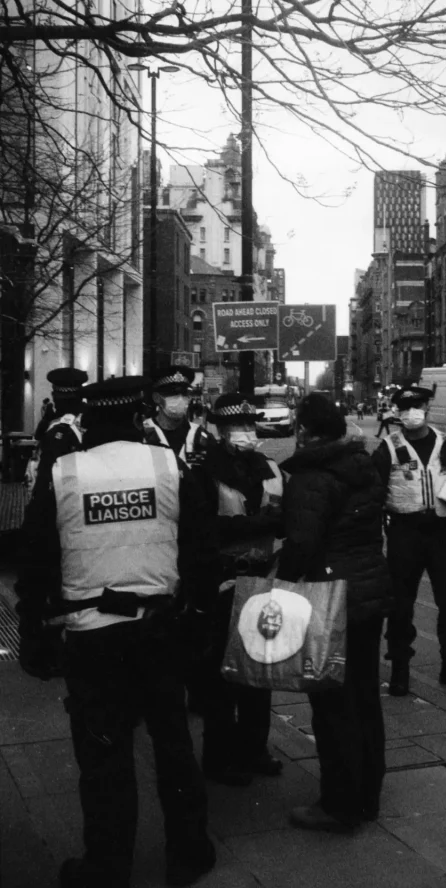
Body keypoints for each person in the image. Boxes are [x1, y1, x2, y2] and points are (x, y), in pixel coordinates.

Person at [15, 375, 216, 888]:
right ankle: (188, 855)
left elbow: (36, 556)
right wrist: (194, 615)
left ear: (86, 422)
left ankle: (106, 868)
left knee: (103, 753)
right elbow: (198, 546)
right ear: (136, 418)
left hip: (92, 634)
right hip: (159, 629)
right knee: (172, 743)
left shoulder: (64, 472)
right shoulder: (166, 464)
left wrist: (34, 629)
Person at [276, 392, 391, 832]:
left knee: (332, 703)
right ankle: (367, 797)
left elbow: (302, 543)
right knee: (364, 698)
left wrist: (282, 585)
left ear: (304, 429)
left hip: (328, 600)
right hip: (367, 593)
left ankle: (338, 804)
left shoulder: (311, 476)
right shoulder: (361, 467)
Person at [373, 385, 446, 696]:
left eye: (418, 405)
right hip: (403, 534)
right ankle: (399, 668)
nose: (413, 412)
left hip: (441, 534)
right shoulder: (388, 448)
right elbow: (373, 497)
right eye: (406, 407)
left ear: (427, 408)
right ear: (397, 411)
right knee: (399, 605)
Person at [201, 392, 285, 786]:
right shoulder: (204, 470)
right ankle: (220, 758)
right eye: (238, 427)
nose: (247, 433)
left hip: (264, 579)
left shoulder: (268, 466)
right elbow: (204, 529)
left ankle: (255, 748)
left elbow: (286, 517)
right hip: (223, 582)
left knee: (260, 672)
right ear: (220, 431)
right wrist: (259, 524)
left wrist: (275, 523)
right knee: (223, 677)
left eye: (251, 425)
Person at [143, 365, 218, 717]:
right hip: (155, 540)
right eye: (175, 395)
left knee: (197, 619)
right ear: (158, 399)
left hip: (193, 541)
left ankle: (197, 693)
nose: (182, 401)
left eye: (185, 394)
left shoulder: (202, 439)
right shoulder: (141, 436)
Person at [27, 368, 87, 496]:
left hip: (61, 494)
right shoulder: (89, 420)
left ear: (56, 396)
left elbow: (46, 475)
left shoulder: (57, 426)